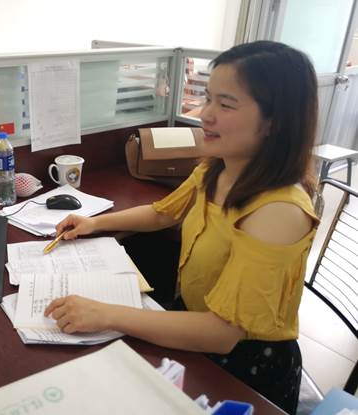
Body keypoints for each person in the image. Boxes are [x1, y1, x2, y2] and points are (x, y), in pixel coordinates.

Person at [44, 40, 319, 415]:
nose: (205, 114)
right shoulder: (217, 168)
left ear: (275, 122)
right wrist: (93, 222)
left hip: (242, 367)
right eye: (208, 98)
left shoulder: (280, 211)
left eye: (226, 105)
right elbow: (163, 214)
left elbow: (222, 333)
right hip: (191, 326)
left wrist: (104, 313)